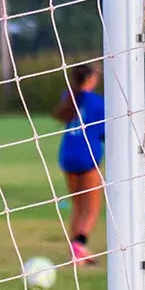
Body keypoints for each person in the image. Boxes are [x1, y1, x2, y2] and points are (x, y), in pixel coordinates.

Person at [55, 64, 106, 266]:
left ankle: (75, 252)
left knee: (77, 206)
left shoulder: (67, 96)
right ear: (90, 79)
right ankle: (79, 246)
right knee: (91, 208)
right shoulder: (97, 102)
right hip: (87, 155)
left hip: (68, 154)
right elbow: (104, 132)